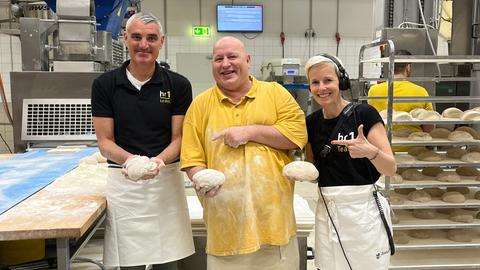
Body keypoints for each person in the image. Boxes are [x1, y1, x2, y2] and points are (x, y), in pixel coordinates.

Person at [180, 36, 307, 270]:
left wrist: (249, 132)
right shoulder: (200, 105)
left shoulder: (275, 93)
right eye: (218, 59)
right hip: (225, 232)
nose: (225, 64)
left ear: (247, 60)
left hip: (274, 229)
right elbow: (191, 158)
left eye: (232, 56)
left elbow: (297, 135)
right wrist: (201, 178)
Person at [91, 13, 194, 269]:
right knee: (129, 262)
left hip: (165, 181)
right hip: (124, 184)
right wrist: (133, 162)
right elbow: (105, 141)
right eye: (136, 37)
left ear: (162, 42)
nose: (143, 45)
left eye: (151, 38)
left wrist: (158, 161)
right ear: (125, 39)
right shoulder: (105, 85)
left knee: (168, 262)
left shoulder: (178, 85)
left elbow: (180, 138)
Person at [304, 54, 396, 270]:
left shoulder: (364, 114)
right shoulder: (311, 122)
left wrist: (370, 152)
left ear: (341, 82)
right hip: (326, 208)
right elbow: (314, 169)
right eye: (315, 83)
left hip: (362, 210)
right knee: (328, 266)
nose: (321, 88)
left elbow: (390, 168)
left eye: (328, 80)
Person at [367, 49, 434, 136]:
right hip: (412, 146)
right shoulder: (421, 91)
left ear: (391, 66)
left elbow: (369, 120)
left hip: (383, 144)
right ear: (408, 67)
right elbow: (429, 126)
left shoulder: (373, 90)